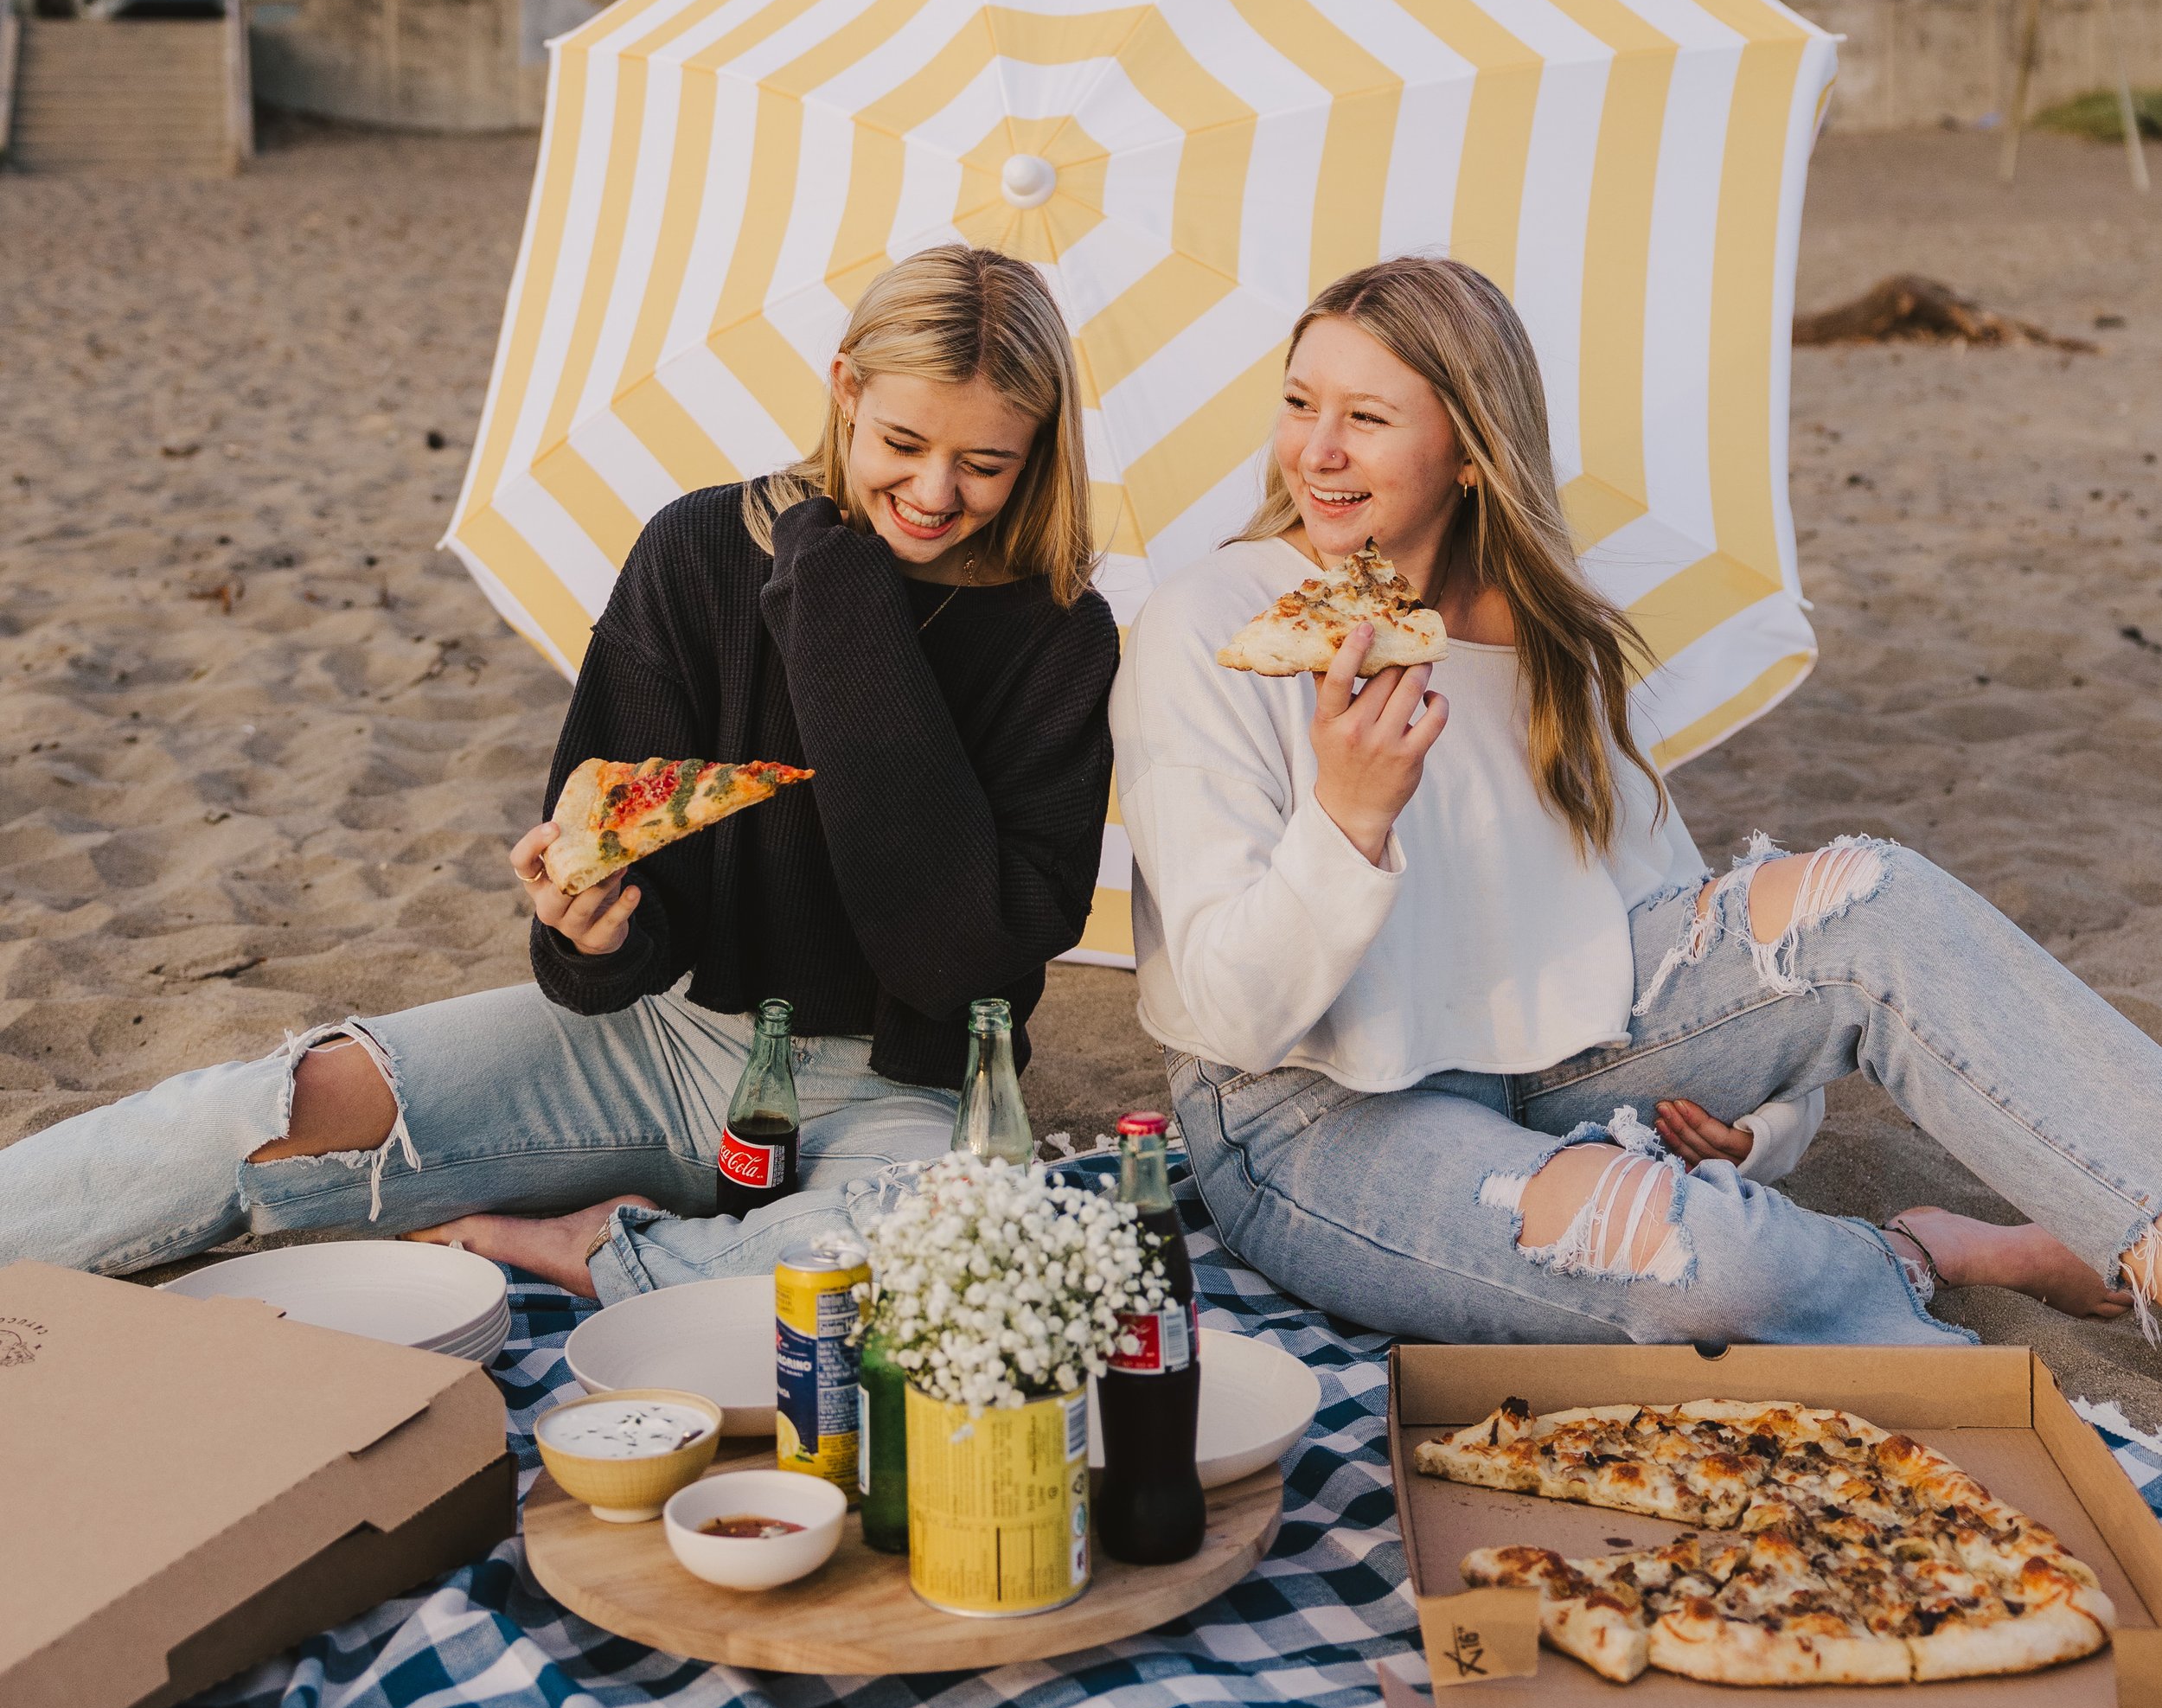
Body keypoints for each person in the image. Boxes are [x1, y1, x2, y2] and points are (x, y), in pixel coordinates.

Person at [0, 246, 1116, 1302]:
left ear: (1038, 450)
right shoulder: (700, 550)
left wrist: (848, 618)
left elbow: (960, 958)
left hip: (900, 1090)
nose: (934, 490)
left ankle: (584, 1245)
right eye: (902, 442)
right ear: (846, 389)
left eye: (984, 464)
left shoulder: (1061, 637)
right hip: (656, 1041)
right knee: (270, 1106)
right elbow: (607, 924)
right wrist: (591, 934)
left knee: (949, 1257)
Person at [1113, 255, 2158, 1347]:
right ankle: (1927, 1252)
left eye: (1365, 417)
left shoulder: (1549, 642)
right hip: (1315, 1114)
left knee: (1871, 899)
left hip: (1561, 1052)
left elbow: (1677, 928)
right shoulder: (1211, 627)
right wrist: (1348, 813)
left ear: (1470, 448)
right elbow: (1234, 1018)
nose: (1316, 450)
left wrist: (1765, 1131)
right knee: (1705, 1264)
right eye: (1298, 403)